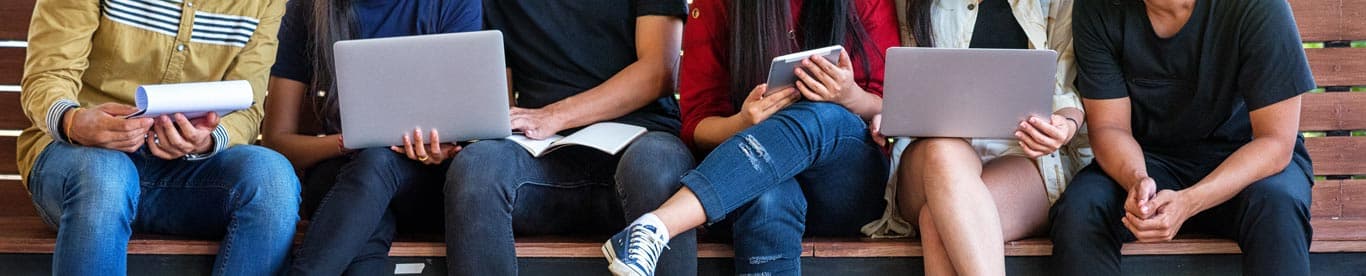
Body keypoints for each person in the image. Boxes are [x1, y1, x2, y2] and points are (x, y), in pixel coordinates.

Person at [603, 0, 900, 275]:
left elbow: (897, 103)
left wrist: (850, 97)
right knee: (768, 196)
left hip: (846, 185)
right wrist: (743, 122)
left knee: (826, 116)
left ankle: (659, 224)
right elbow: (696, 125)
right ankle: (653, 229)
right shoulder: (718, 5)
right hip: (749, 184)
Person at [17, 0, 297, 275]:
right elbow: (48, 77)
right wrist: (74, 122)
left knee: (272, 179)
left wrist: (206, 140)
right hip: (81, 167)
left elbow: (247, 109)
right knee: (106, 175)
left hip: (184, 177)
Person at [1050, 0, 1316, 274]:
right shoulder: (1098, 7)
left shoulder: (1258, 6)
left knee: (1278, 206)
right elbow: (1110, 127)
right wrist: (1138, 182)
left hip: (1245, 164)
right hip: (1148, 161)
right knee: (1081, 210)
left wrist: (1189, 201)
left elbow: (1275, 142)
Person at [441, 0, 695, 275]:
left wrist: (555, 115)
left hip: (643, 138)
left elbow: (660, 71)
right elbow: (497, 100)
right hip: (543, 157)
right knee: (477, 168)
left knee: (655, 166)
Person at [859, 0, 1089, 274]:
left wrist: (1064, 125)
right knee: (943, 155)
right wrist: (896, 111)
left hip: (1020, 153)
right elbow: (904, 78)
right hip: (931, 151)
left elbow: (1063, 86)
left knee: (938, 221)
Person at [259, 0, 482, 274]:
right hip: (343, 179)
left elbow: (466, 122)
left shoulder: (452, 4)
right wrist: (348, 142)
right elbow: (277, 140)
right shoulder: (308, 9)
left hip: (425, 186)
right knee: (371, 185)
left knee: (376, 165)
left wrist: (444, 146)